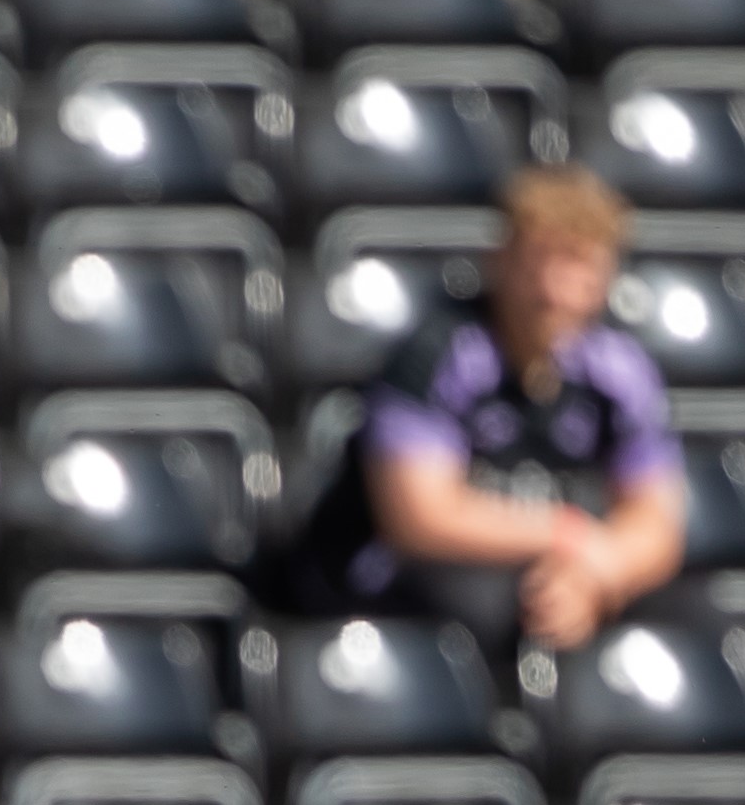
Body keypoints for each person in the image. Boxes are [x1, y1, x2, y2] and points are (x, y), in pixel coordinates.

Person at [292, 165, 688, 649]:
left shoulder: (619, 370)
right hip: (415, 601)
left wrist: (597, 575)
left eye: (580, 265)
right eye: (541, 260)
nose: (555, 289)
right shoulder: (441, 353)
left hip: (553, 585)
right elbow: (419, 517)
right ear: (501, 259)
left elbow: (657, 523)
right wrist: (566, 534)